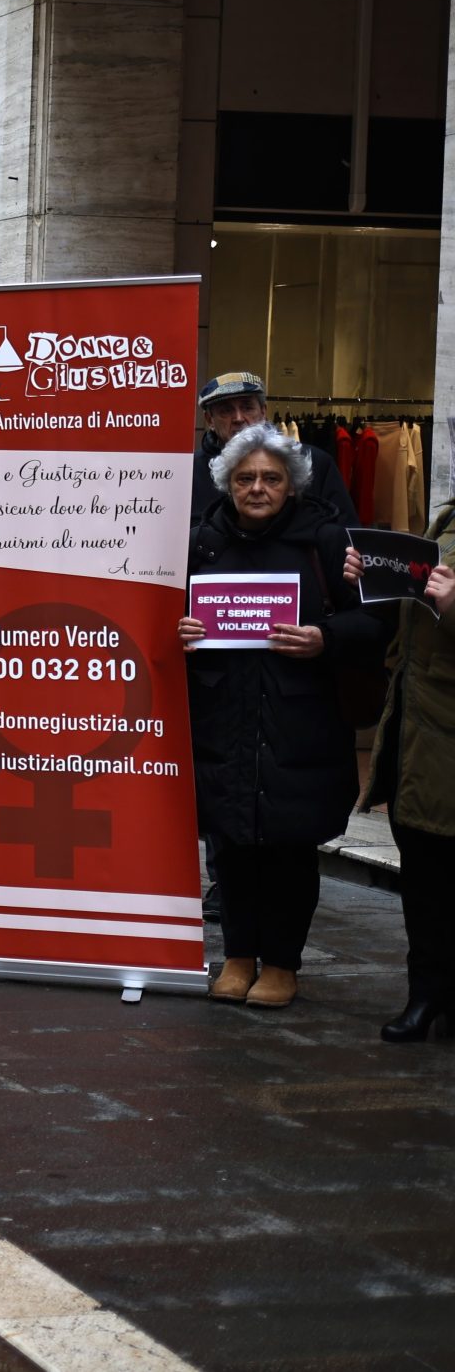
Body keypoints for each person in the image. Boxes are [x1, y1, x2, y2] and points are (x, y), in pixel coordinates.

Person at [179, 424, 374, 1011]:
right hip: (224, 720)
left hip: (301, 721)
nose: (257, 488)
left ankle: (283, 963)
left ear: (291, 484)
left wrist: (324, 636)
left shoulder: (328, 542)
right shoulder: (200, 544)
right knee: (232, 845)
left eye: (270, 477)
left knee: (290, 848)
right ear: (227, 483)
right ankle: (238, 957)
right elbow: (161, 616)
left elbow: (375, 624)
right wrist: (180, 630)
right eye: (245, 478)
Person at [361, 505, 455, 1041]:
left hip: (442, 728)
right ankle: (426, 995)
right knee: (423, 873)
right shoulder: (443, 521)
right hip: (417, 728)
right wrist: (369, 581)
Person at [193, 371, 358, 531]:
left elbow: (346, 534)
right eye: (226, 411)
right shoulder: (190, 472)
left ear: (263, 412)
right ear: (209, 420)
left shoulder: (313, 462)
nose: (238, 418)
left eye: (247, 408)